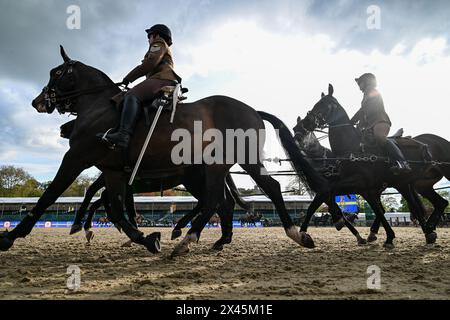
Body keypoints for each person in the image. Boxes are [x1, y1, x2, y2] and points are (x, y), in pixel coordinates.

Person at [97, 24, 181, 149]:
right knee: (124, 96)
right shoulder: (160, 45)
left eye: (149, 36)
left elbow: (150, 63)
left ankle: (123, 135)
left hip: (163, 79)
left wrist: (128, 78)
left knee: (132, 94)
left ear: (156, 35)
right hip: (160, 79)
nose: (148, 39)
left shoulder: (158, 42)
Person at [351, 73, 411, 174]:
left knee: (380, 137)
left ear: (367, 82)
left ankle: (402, 162)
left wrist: (355, 121)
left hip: (380, 121)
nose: (359, 87)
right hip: (370, 125)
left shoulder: (373, 92)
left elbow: (364, 110)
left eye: (360, 84)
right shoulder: (365, 95)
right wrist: (351, 122)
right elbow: (363, 111)